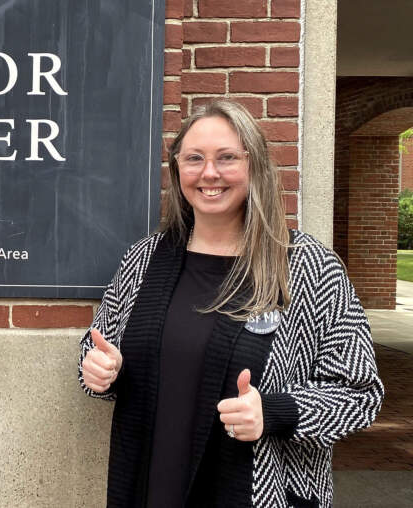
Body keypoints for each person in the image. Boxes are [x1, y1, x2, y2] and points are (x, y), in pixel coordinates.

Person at [79, 99, 383, 507]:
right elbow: (97, 350)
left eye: (226, 158)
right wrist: (100, 371)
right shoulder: (145, 259)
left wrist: (272, 412)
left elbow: (360, 393)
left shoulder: (308, 266)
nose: (209, 173)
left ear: (254, 165)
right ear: (177, 170)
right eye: (194, 158)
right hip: (150, 487)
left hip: (257, 493)